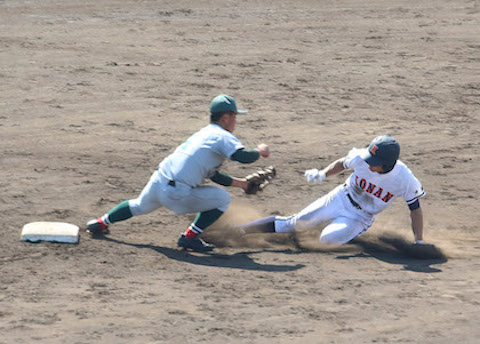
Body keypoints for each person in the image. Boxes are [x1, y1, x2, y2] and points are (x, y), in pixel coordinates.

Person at [86, 94, 270, 251]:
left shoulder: (204, 134)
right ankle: (189, 237)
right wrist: (260, 151)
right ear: (225, 118)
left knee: (138, 206)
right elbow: (242, 156)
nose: (235, 121)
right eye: (235, 116)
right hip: (176, 193)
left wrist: (243, 184)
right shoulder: (222, 136)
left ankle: (100, 223)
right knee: (222, 199)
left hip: (158, 181)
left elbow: (213, 175)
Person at [240, 135, 426, 246]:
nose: (367, 163)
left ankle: (337, 229)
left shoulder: (405, 179)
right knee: (293, 223)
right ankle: (240, 231)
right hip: (340, 197)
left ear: (387, 164)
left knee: (327, 240)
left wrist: (418, 241)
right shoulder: (362, 157)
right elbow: (342, 163)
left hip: (360, 218)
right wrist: (322, 174)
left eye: (374, 163)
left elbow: (415, 209)